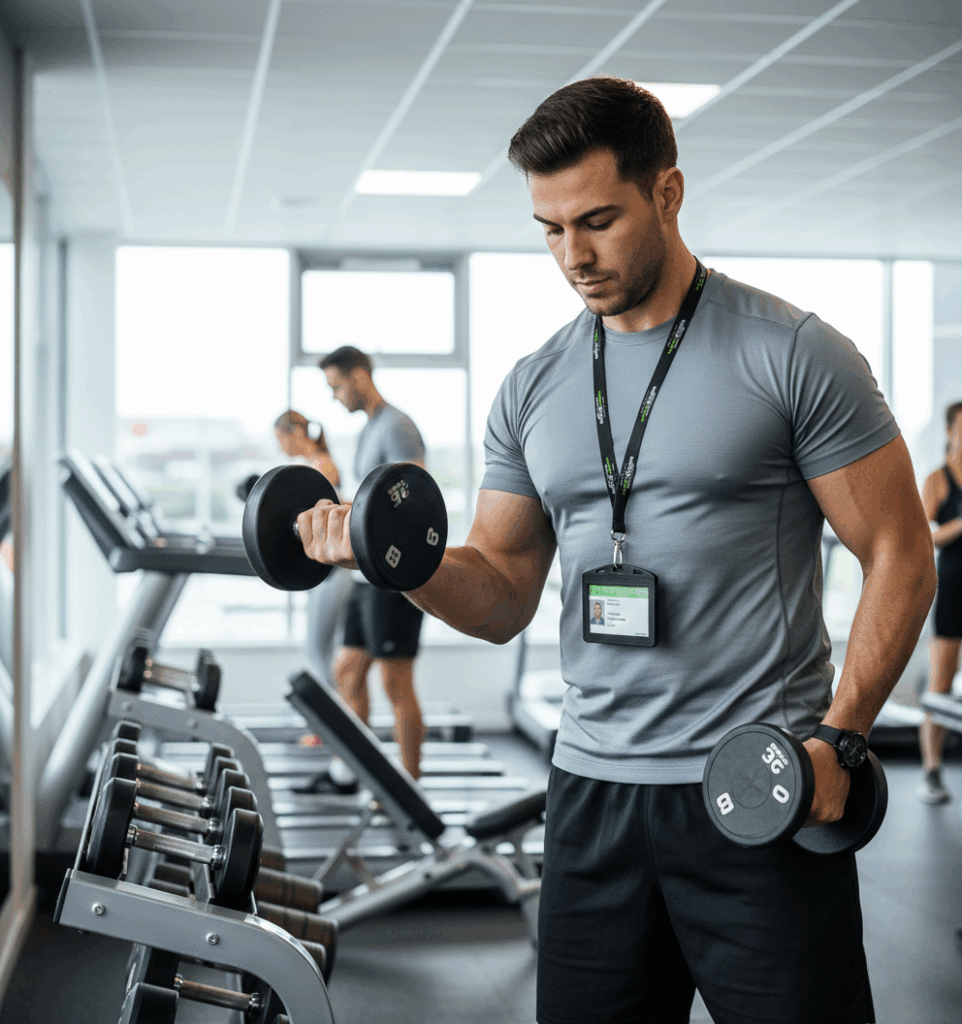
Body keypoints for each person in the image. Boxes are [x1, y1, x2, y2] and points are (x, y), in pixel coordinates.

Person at [295, 78, 937, 1023]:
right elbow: (504, 589)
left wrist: (841, 735)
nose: (573, 255)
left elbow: (899, 551)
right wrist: (392, 556)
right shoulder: (535, 386)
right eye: (549, 229)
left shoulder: (792, 352)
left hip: (757, 784)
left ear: (668, 193)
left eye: (597, 220)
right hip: (591, 790)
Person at [318, 345, 427, 781]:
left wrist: (350, 509)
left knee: (394, 683)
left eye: (337, 384)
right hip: (367, 575)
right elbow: (370, 499)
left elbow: (412, 497)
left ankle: (411, 785)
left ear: (359, 376)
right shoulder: (369, 428)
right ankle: (360, 773)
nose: (335, 396)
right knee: (346, 670)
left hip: (393, 575)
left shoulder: (397, 426)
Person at [272, 410, 355, 691]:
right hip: (327, 567)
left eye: (280, 438)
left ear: (295, 432)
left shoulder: (320, 466)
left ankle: (326, 729)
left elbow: (333, 514)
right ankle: (330, 725)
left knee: (320, 651)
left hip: (332, 570)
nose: (279, 446)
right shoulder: (314, 465)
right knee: (323, 649)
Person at [917, 401, 962, 803]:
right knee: (941, 685)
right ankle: (931, 771)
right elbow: (924, 536)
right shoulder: (938, 479)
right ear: (950, 431)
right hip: (951, 591)